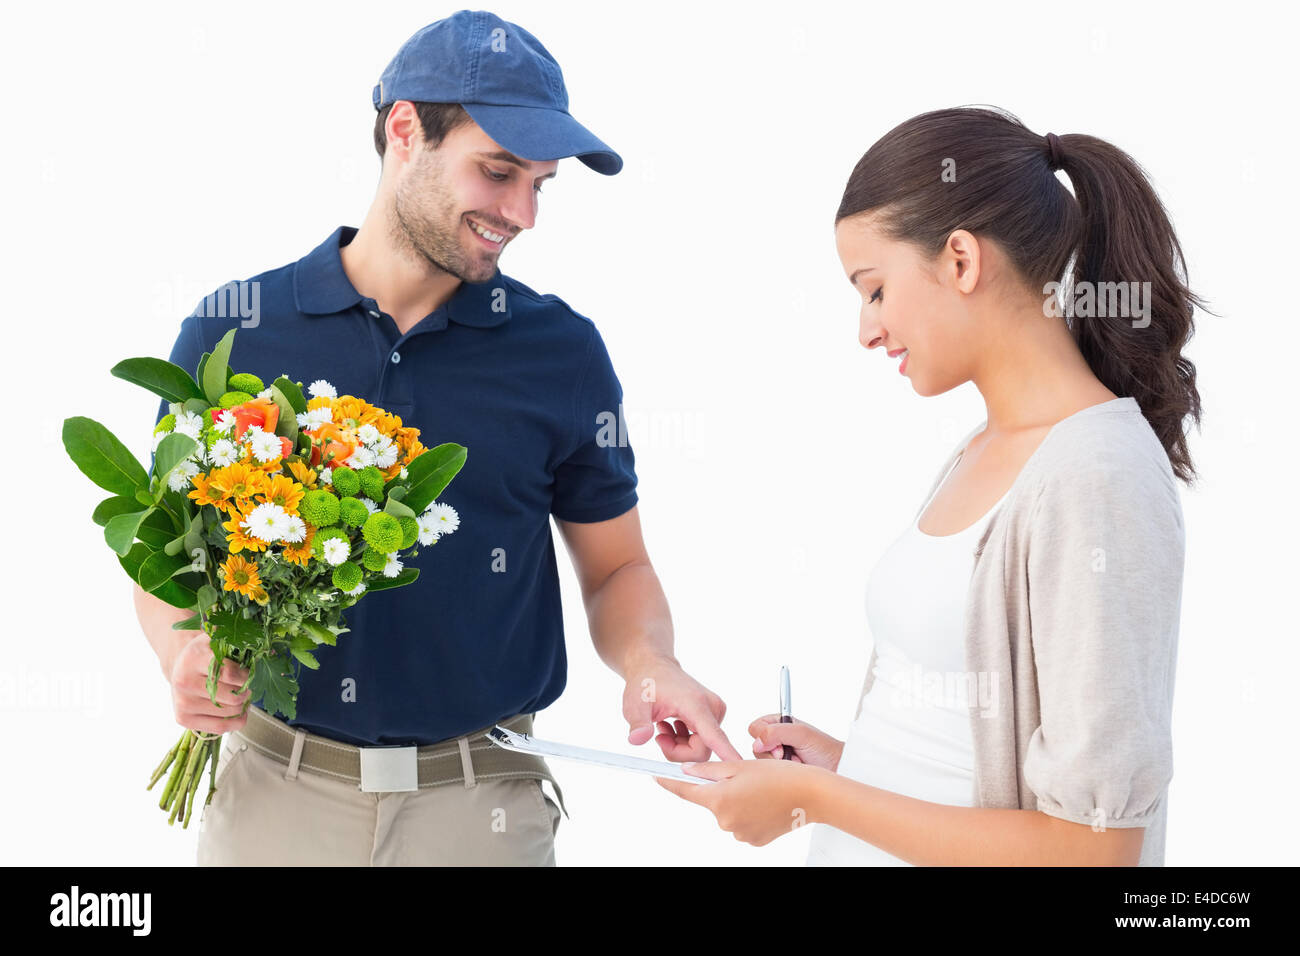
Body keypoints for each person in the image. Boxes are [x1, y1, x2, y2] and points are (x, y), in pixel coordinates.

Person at [133, 9, 741, 866]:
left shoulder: (561, 354)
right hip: (273, 797)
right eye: (498, 173)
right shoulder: (237, 331)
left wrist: (651, 665)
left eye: (541, 184)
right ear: (405, 131)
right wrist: (180, 648)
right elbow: (161, 554)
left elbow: (616, 567)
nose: (523, 212)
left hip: (482, 808)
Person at [657, 106, 1199, 866]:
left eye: (874, 290)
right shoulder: (985, 448)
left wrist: (819, 799)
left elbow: (1091, 848)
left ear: (961, 260)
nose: (865, 329)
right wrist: (847, 771)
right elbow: (962, 763)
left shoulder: (1094, 477)